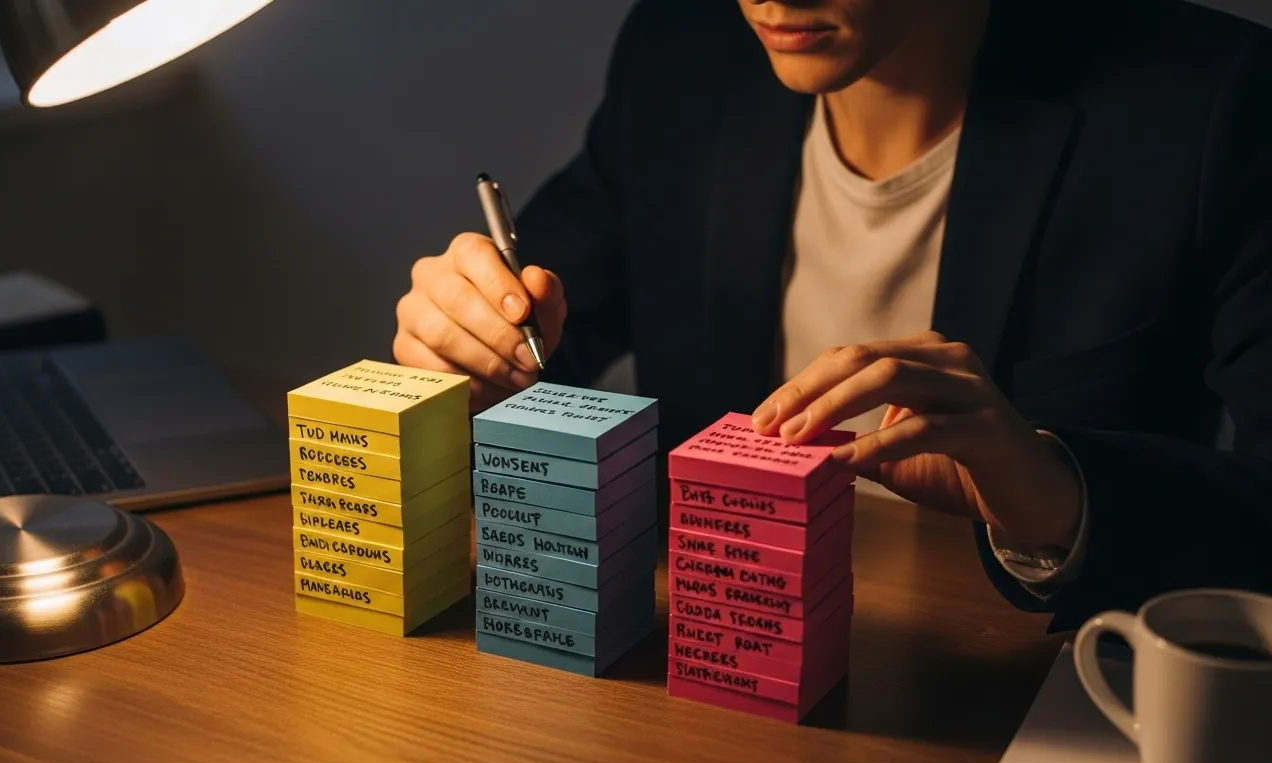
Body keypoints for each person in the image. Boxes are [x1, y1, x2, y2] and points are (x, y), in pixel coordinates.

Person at [392, 0, 1272, 632]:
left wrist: (1055, 493)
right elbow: (535, 349)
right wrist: (459, 367)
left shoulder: (1208, 99)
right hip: (706, 661)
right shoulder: (682, 51)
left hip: (1031, 694)